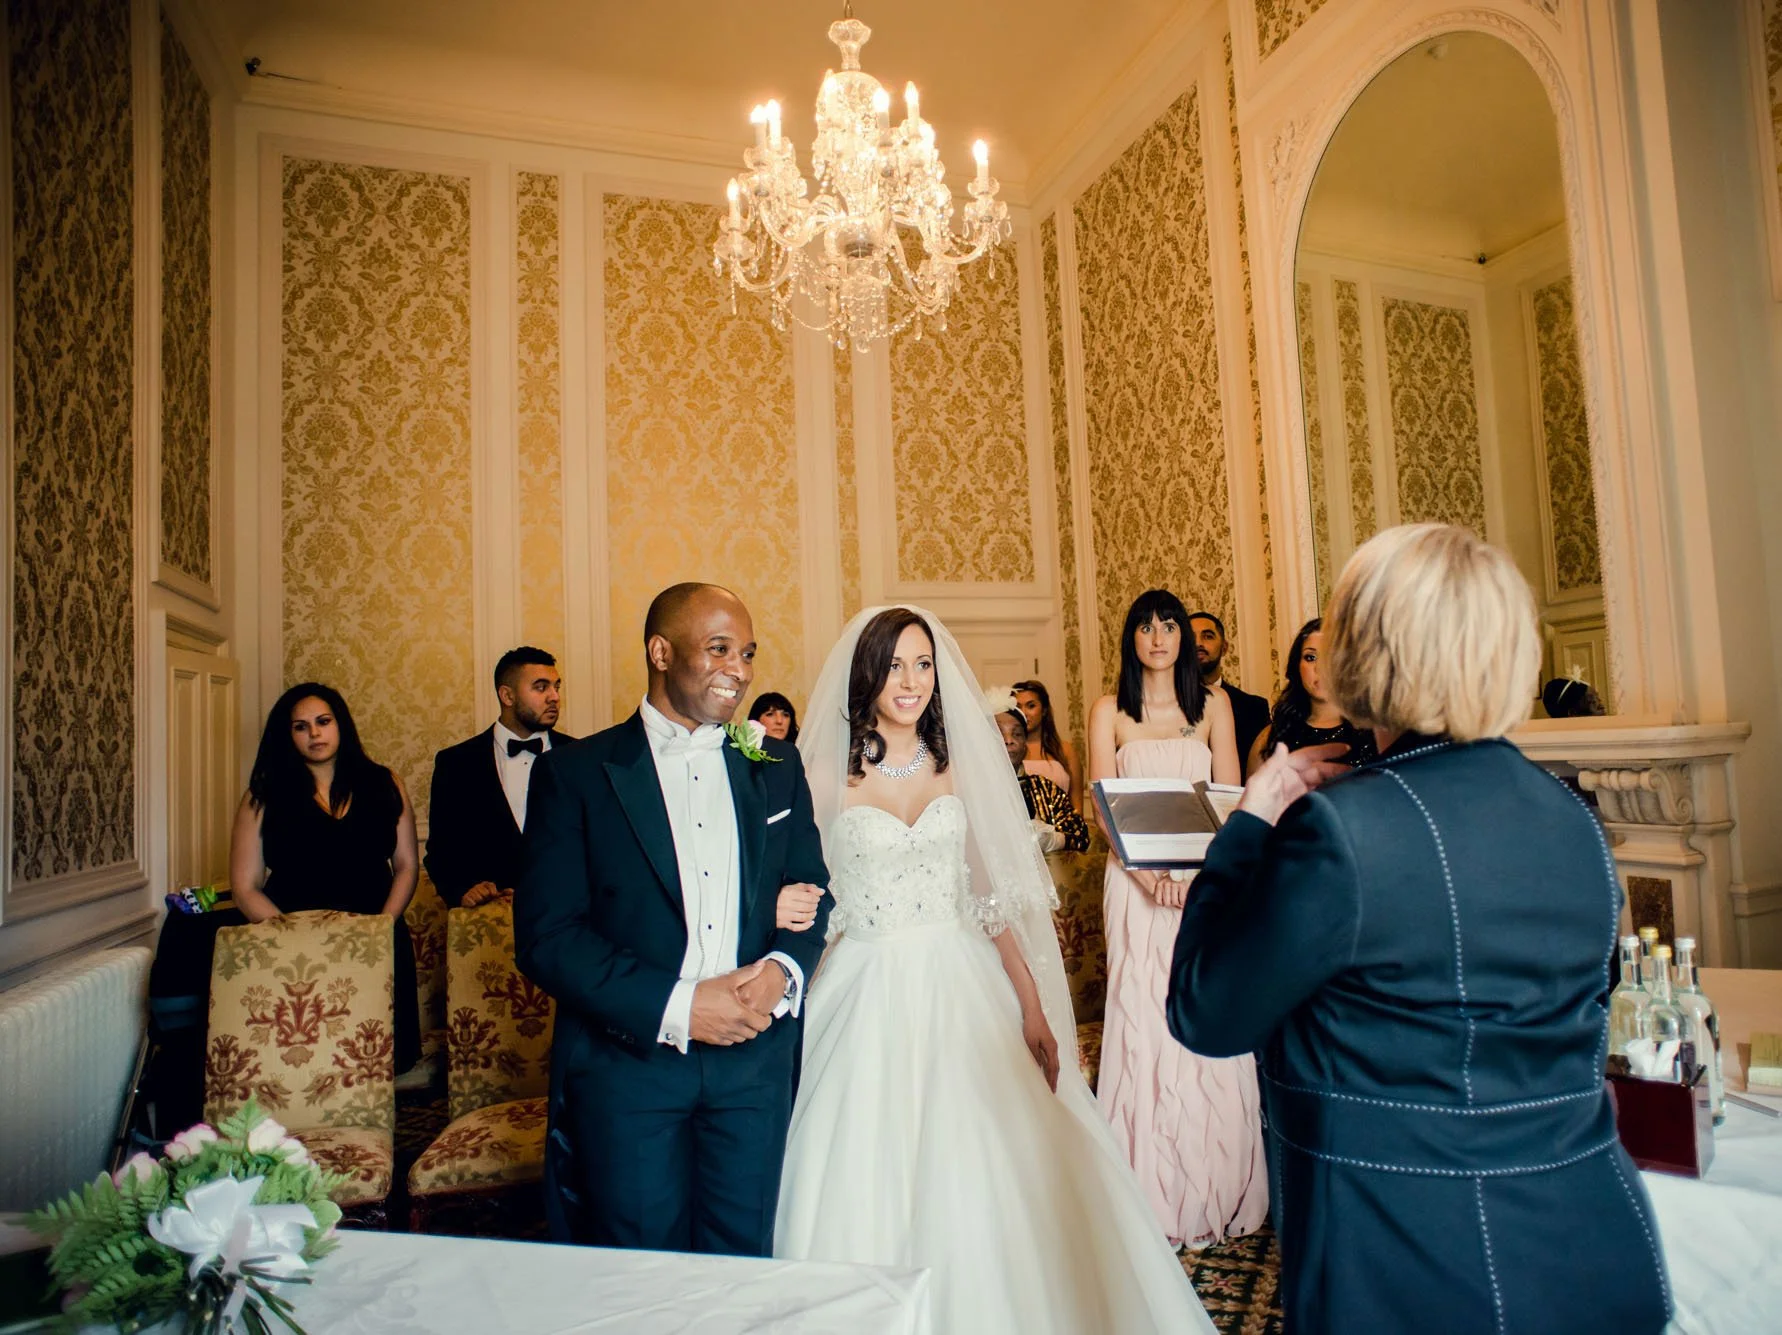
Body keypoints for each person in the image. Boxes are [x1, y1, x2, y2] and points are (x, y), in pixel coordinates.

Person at [1168, 524, 1670, 1335]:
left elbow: (1204, 1009)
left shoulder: (1339, 828)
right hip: (1591, 1248)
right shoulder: (1572, 818)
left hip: (1408, 1268)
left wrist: (1251, 820)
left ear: (1364, 652)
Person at [775, 606, 1216, 1335]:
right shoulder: (824, 774)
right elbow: (804, 892)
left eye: (923, 664)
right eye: (894, 665)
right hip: (865, 984)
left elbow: (990, 900)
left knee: (1000, 1169)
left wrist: (1034, 1006)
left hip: (962, 976)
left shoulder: (955, 769)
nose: (910, 681)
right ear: (866, 675)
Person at [515, 583, 832, 1256]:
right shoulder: (574, 774)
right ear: (660, 651)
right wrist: (681, 1005)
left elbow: (815, 892)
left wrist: (781, 972)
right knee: (640, 1269)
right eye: (718, 649)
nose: (740, 670)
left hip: (755, 1068)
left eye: (746, 653)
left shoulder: (776, 765)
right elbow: (547, 938)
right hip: (630, 1066)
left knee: (744, 1264)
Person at [1086, 589, 1262, 1249]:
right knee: (1144, 1017)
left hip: (1205, 885)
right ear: (1131, 638)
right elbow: (1104, 805)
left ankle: (1216, 1178)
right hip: (1133, 884)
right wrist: (1146, 877)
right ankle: (1147, 1188)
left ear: (1183, 637)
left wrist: (1199, 880)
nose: (1158, 636)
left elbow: (1232, 801)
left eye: (1168, 625)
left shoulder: (1213, 708)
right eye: (1146, 626)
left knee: (1203, 1014)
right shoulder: (1111, 711)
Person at [229, 683, 421, 1072]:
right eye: (301, 726)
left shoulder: (386, 782)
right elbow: (244, 886)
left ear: (340, 725)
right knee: (312, 1063)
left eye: (322, 722)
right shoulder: (262, 796)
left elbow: (407, 864)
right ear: (288, 735)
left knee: (377, 1058)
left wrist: (382, 927)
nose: (314, 733)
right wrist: (294, 936)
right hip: (296, 948)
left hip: (377, 935)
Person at [425, 647, 574, 909]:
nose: (554, 697)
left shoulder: (580, 758)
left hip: (568, 918)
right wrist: (462, 891)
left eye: (556, 687)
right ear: (507, 695)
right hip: (489, 920)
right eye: (541, 687)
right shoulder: (456, 764)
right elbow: (441, 852)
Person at [1247, 617, 1377, 774]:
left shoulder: (1375, 734)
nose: (1320, 667)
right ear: (1297, 667)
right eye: (1310, 657)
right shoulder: (1269, 739)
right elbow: (1254, 797)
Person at [990, 688, 1089, 853]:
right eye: (1000, 734)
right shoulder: (969, 791)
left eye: (1017, 734)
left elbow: (1081, 835)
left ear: (1025, 746)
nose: (1009, 741)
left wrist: (1052, 840)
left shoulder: (1045, 788)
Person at [1187, 611, 1271, 777]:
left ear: (1224, 647)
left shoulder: (1254, 708)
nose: (1198, 643)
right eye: (1190, 638)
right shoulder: (1163, 705)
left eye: (1208, 636)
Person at [1011, 679, 1081, 808]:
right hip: (1018, 827)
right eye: (1018, 707)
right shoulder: (1007, 750)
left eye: (1031, 706)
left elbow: (1076, 803)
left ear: (1044, 710)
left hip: (1061, 827)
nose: (1024, 713)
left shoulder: (1065, 750)